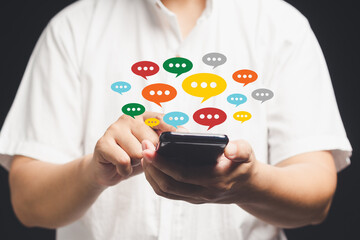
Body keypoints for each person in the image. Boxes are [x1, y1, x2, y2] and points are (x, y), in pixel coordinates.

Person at [0, 0, 352, 239]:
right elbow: (28, 203)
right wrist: (94, 171)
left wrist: (250, 183)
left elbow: (317, 197)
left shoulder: (282, 26)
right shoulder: (72, 29)